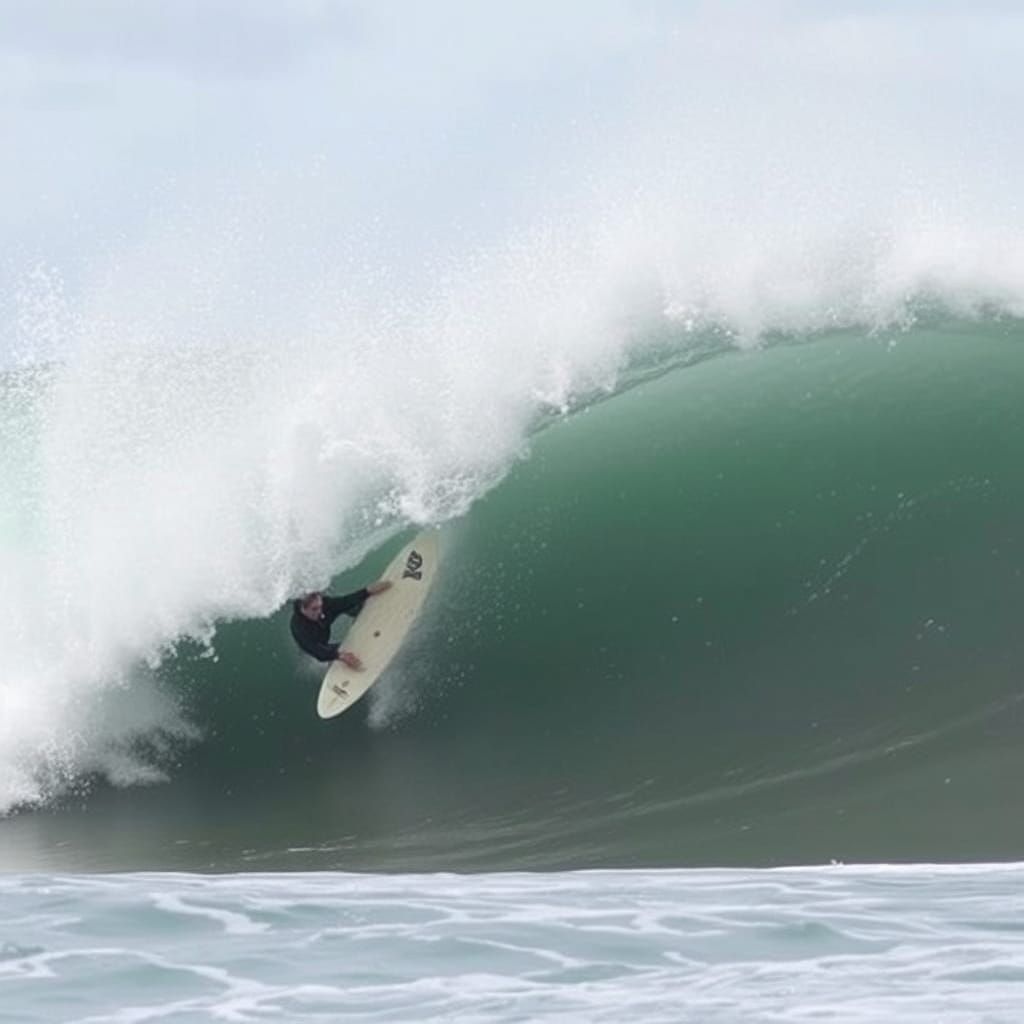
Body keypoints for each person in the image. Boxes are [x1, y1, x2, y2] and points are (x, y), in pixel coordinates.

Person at [290, 581, 392, 669]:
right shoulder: (298, 627)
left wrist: (367, 591)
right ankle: (334, 661)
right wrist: (339, 656)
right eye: (314, 609)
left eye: (320, 606)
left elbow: (345, 601)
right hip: (318, 643)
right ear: (303, 609)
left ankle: (358, 613)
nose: (319, 611)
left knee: (348, 606)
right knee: (342, 652)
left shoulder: (324, 606)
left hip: (324, 624)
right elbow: (316, 651)